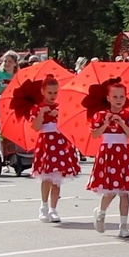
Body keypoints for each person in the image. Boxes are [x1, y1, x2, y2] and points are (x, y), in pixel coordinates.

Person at [88, 80, 129, 238]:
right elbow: (94, 134)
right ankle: (101, 213)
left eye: (121, 96)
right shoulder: (101, 115)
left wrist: (122, 123)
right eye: (115, 96)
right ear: (108, 98)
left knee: (124, 192)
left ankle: (123, 226)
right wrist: (105, 123)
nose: (118, 99)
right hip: (108, 154)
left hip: (124, 154)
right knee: (110, 190)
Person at [30, 77, 79, 223]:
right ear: (43, 92)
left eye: (55, 92)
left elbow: (69, 125)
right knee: (46, 176)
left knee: (57, 178)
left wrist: (59, 115)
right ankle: (43, 206)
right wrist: (42, 113)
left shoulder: (60, 107)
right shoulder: (38, 107)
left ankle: (53, 208)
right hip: (46, 143)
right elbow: (36, 127)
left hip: (59, 143)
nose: (52, 95)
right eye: (50, 92)